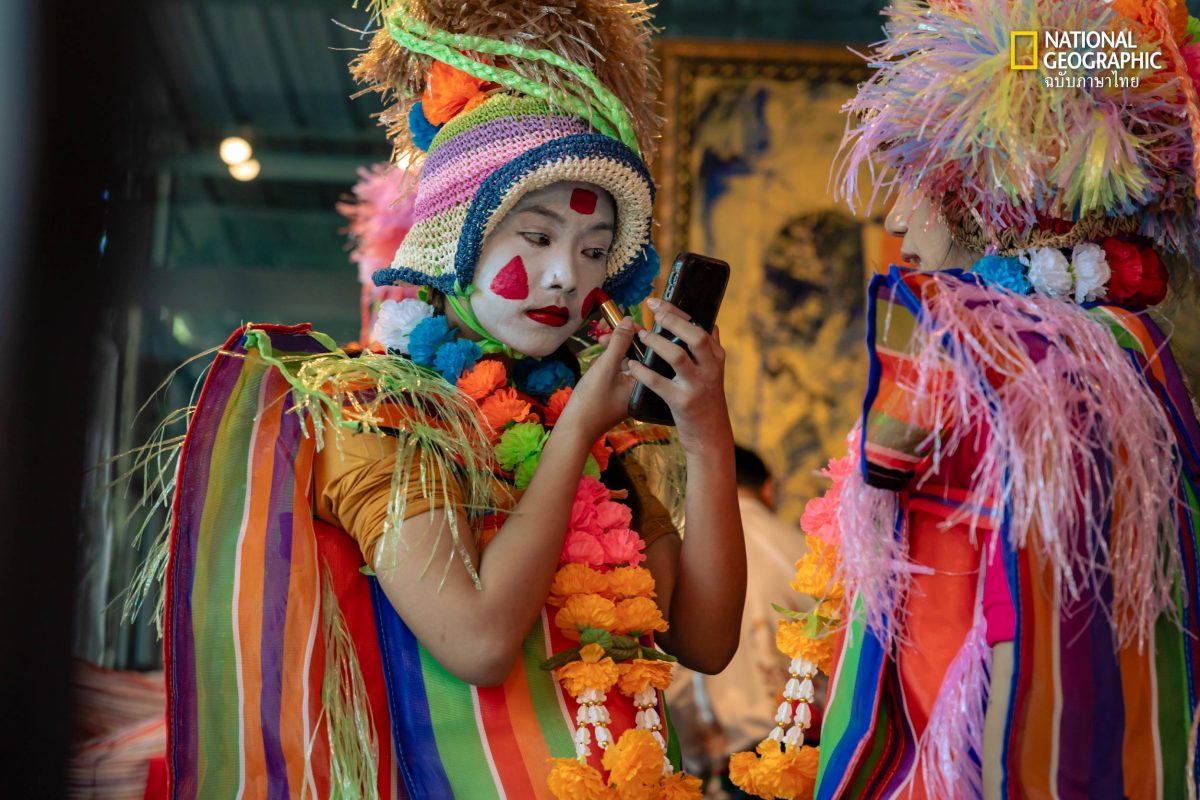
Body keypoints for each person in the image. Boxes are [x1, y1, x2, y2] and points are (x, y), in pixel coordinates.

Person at [146, 2, 747, 797]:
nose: (567, 275)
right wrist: (575, 435)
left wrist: (706, 434)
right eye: (537, 237)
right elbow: (479, 642)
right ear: (453, 239)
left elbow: (705, 641)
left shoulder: (598, 430)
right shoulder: (378, 407)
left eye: (594, 250)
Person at [729, 1, 1200, 798]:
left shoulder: (993, 367)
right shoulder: (1128, 353)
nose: (896, 216)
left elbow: (981, 633)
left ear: (991, 198)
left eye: (918, 185)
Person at [668, 446, 811, 797]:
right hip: (819, 755)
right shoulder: (805, 550)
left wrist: (695, 760)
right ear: (768, 489)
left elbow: (676, 680)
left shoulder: (681, 556)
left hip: (739, 766)